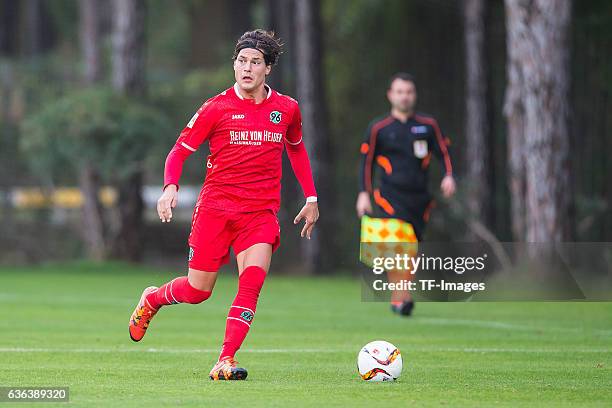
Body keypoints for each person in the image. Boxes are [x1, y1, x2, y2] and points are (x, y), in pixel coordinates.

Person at [128, 29, 319, 380]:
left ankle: (225, 360)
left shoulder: (286, 109)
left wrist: (311, 197)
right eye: (241, 61)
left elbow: (296, 148)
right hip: (215, 210)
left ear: (268, 69)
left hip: (260, 213)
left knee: (251, 283)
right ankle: (153, 299)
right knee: (198, 291)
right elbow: (178, 152)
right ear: (234, 65)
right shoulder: (216, 108)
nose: (247, 68)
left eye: (255, 62)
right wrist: (170, 187)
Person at [356, 72, 455, 316]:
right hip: (389, 195)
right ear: (390, 95)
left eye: (409, 92)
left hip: (420, 198)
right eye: (399, 92)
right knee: (400, 243)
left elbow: (444, 152)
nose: (404, 97)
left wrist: (449, 175)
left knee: (412, 247)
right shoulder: (379, 128)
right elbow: (365, 163)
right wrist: (363, 193)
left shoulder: (428, 125)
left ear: (414, 95)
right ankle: (400, 298)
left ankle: (400, 295)